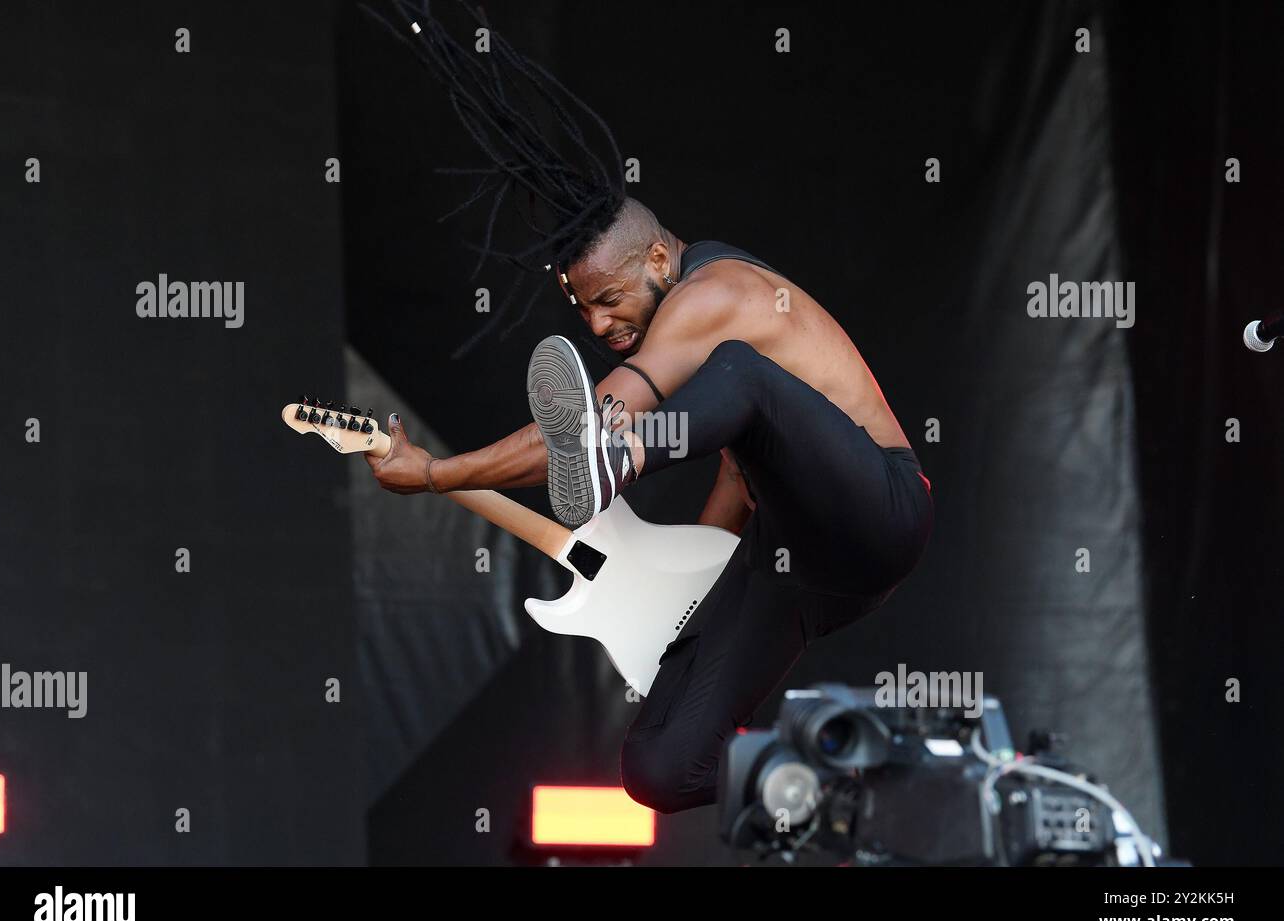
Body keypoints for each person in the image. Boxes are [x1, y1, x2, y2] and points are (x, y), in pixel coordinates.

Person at [362, 1, 933, 813]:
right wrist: (692, 586)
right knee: (657, 768)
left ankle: (614, 461)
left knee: (733, 378)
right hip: (804, 562)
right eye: (583, 312)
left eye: (610, 299)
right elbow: (740, 481)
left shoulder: (717, 295)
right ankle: (848, 800)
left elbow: (595, 421)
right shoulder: (709, 370)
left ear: (659, 257)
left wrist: (433, 473)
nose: (600, 325)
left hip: (884, 509)